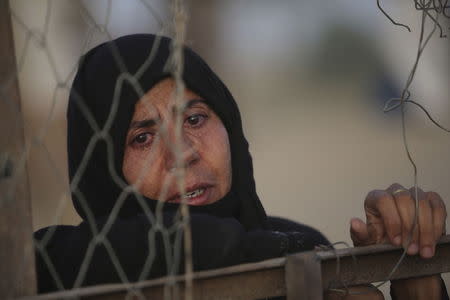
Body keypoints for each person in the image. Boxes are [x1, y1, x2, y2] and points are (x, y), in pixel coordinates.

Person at [34, 34, 448, 299]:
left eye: (195, 119)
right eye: (142, 137)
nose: (183, 153)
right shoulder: (64, 275)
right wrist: (272, 257)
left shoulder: (303, 241)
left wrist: (414, 271)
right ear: (102, 171)